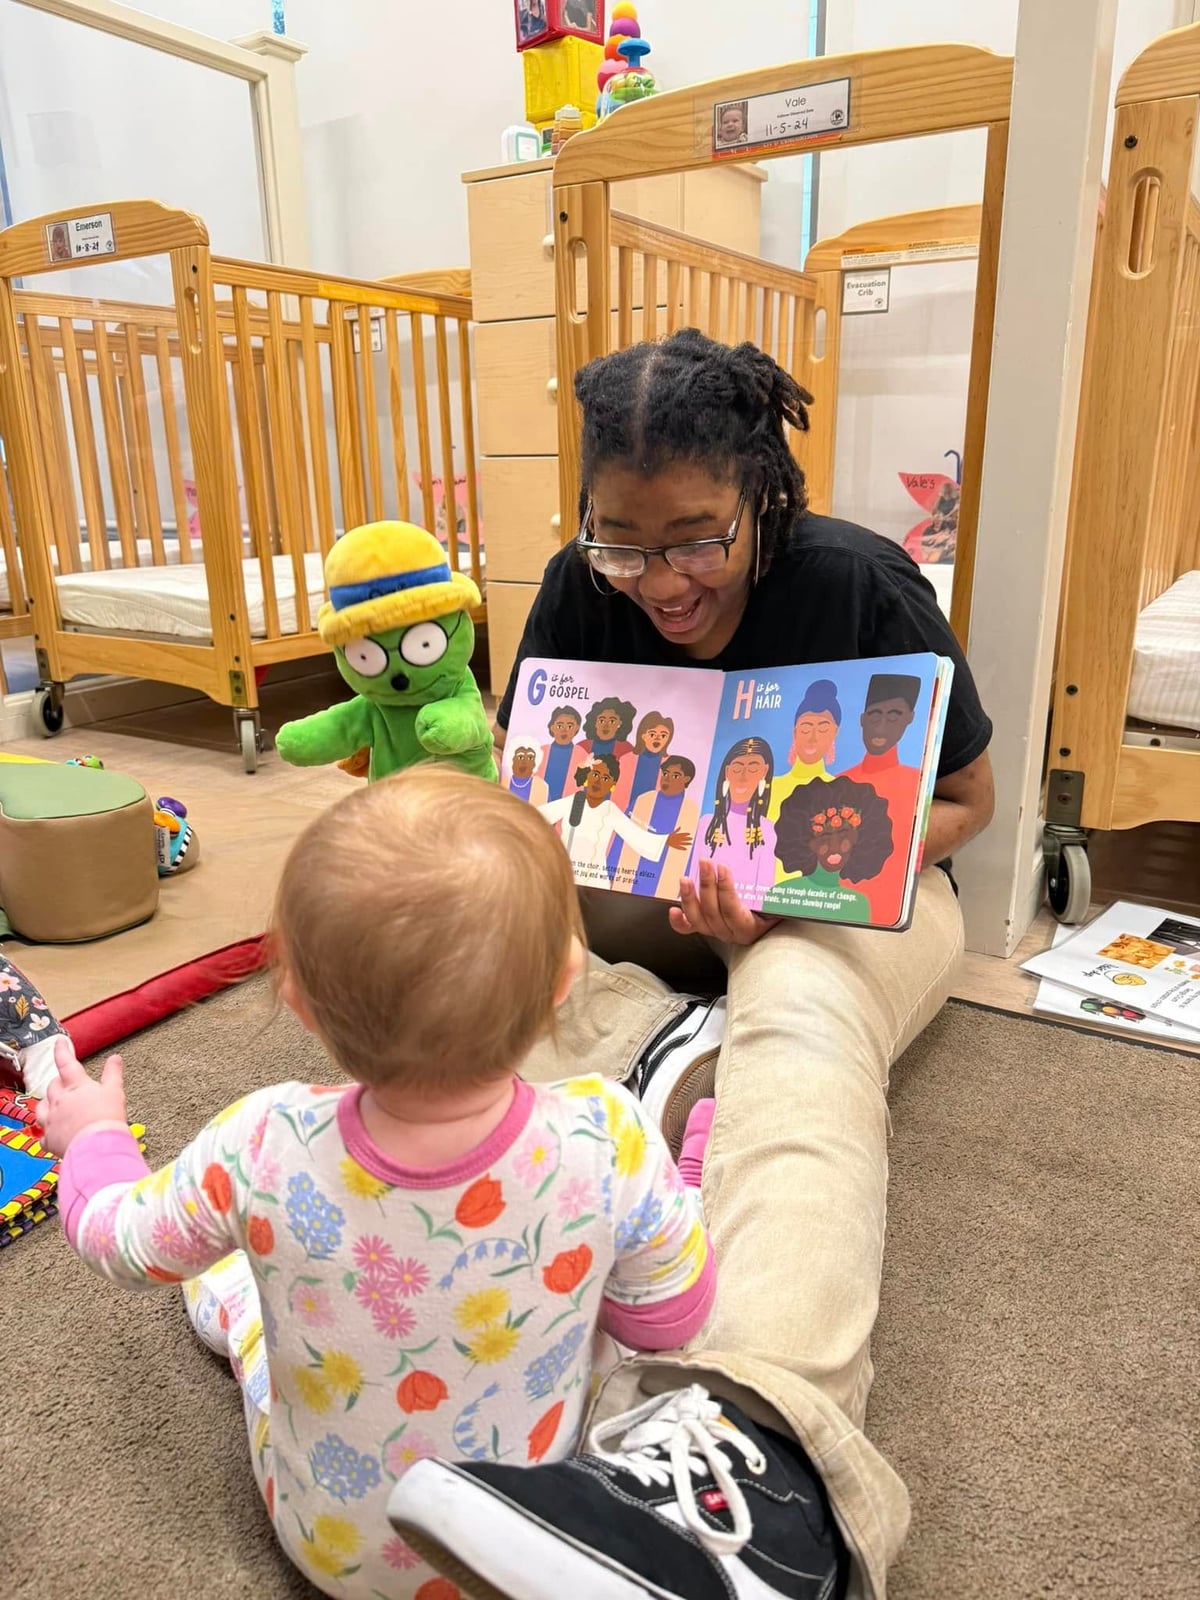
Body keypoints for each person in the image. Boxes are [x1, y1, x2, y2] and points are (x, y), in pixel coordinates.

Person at [390, 329, 995, 1599]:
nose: (659, 580)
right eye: (621, 538)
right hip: (650, 906)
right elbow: (533, 786)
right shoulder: (578, 582)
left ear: (762, 496)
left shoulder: (861, 582)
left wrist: (799, 890)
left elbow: (972, 802)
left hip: (852, 906)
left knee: (799, 1000)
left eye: (696, 537)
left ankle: (761, 1462)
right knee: (478, 933)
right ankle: (675, 1069)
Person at [40, 770, 715, 1600]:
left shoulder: (262, 1144)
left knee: (237, 1289)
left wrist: (95, 1138)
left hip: (330, 1547)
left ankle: (235, 1307)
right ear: (564, 985)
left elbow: (124, 1240)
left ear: (300, 1005)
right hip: (526, 1536)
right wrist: (679, 1185)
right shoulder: (608, 1133)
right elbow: (667, 1319)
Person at [839, 673, 923, 921]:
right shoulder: (838, 783)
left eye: (894, 715)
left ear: (909, 719)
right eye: (875, 714)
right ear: (863, 719)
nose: (881, 726)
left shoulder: (915, 783)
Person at [540, 753, 692, 888]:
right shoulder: (573, 801)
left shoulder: (610, 809)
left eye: (605, 778)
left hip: (596, 878)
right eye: (595, 775)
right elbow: (539, 815)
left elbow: (633, 834)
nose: (598, 781)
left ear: (612, 785)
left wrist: (664, 841)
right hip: (565, 872)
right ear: (587, 776)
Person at [763, 774, 894, 924]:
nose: (834, 847)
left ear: (859, 839)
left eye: (844, 837)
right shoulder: (780, 894)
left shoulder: (857, 904)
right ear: (807, 841)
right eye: (824, 838)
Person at [698, 735, 778, 910]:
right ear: (727, 772)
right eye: (737, 768)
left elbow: (763, 896)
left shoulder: (769, 830)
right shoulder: (706, 824)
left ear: (764, 771)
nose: (743, 777)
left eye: (753, 769)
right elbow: (693, 881)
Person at [613, 755, 700, 899]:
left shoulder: (691, 811)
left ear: (687, 779)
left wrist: (685, 885)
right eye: (665, 774)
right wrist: (610, 868)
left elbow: (692, 853)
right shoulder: (643, 800)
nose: (667, 778)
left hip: (665, 884)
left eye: (675, 775)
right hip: (628, 878)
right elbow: (622, 836)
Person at [537, 705, 583, 801]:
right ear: (552, 727)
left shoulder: (582, 755)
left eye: (570, 726)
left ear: (577, 728)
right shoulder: (540, 752)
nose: (564, 729)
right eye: (560, 725)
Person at [505, 738, 550, 807]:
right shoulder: (502, 782)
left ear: (535, 762)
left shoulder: (542, 786)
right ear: (512, 760)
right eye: (520, 757)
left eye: (530, 758)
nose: (525, 761)